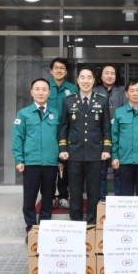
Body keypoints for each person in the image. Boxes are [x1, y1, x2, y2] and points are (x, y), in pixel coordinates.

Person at [59, 66, 112, 224]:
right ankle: (76, 222)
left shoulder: (102, 100)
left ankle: (92, 222)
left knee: (94, 191)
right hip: (74, 153)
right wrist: (62, 149)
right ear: (77, 80)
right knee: (75, 191)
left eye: (89, 78)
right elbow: (63, 127)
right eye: (82, 77)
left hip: (95, 153)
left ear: (94, 81)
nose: (86, 81)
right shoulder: (68, 101)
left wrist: (107, 149)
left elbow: (106, 128)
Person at [12, 78, 60, 242]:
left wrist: (61, 159)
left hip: (50, 163)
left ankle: (45, 230)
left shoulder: (55, 113)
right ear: (31, 92)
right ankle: (31, 230)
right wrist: (19, 159)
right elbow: (18, 138)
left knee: (48, 199)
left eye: (44, 89)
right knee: (29, 199)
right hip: (31, 163)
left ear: (49, 92)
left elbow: (60, 138)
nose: (41, 92)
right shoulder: (23, 113)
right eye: (37, 89)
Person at [48, 58, 78, 210]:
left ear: (66, 72)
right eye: (56, 68)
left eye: (62, 68)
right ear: (51, 71)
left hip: (67, 132)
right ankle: (50, 196)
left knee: (64, 165)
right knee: (49, 165)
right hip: (48, 132)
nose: (59, 70)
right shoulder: (45, 87)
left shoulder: (73, 88)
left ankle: (64, 195)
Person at [93, 63, 127, 201]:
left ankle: (118, 200)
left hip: (119, 135)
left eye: (112, 73)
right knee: (101, 171)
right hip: (100, 136)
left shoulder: (123, 90)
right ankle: (102, 200)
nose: (109, 76)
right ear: (101, 76)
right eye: (106, 73)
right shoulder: (94, 90)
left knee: (119, 170)